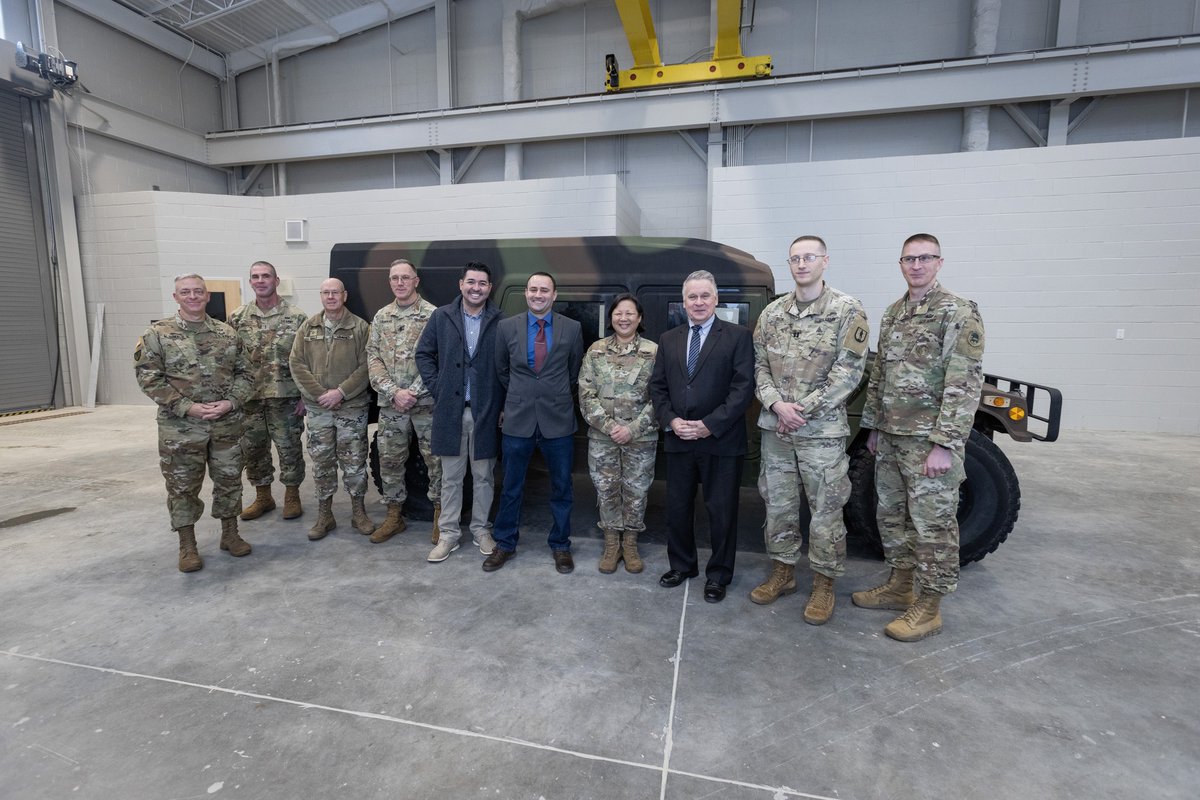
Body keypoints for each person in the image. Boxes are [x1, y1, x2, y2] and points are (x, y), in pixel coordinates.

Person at [852, 233, 986, 641]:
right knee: (892, 517)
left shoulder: (958, 312)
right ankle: (900, 585)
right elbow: (880, 376)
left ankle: (930, 607)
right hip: (891, 438)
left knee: (933, 525)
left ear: (939, 263)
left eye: (924, 258)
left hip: (929, 441)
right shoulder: (894, 313)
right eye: (909, 259)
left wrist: (945, 443)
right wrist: (873, 427)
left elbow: (964, 383)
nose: (916, 265)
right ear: (901, 264)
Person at [750, 236, 870, 624]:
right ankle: (783, 573)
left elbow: (849, 372)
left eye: (809, 257)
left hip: (820, 431)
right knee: (779, 505)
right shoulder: (771, 314)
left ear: (825, 261)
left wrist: (802, 409)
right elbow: (759, 367)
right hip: (777, 429)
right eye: (795, 258)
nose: (802, 264)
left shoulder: (847, 310)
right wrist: (776, 404)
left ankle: (823, 584)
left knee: (826, 510)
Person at [134, 274, 254, 573]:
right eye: (185, 292)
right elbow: (149, 378)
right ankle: (187, 544)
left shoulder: (228, 334)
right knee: (182, 486)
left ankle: (230, 534)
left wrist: (230, 402)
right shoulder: (157, 334)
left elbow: (248, 374)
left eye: (198, 292)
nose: (192, 297)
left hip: (226, 423)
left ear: (207, 296)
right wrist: (188, 407)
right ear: (175, 297)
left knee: (229, 479)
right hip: (181, 427)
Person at [648, 270, 754, 603]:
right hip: (679, 438)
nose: (698, 302)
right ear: (683, 302)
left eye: (705, 295)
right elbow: (658, 386)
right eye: (692, 297)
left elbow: (743, 388)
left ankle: (718, 574)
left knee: (721, 511)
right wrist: (670, 420)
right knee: (677, 508)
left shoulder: (737, 337)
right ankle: (682, 565)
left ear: (716, 299)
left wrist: (710, 424)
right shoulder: (669, 339)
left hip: (721, 440)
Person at [486, 272, 584, 574]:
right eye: (533, 289)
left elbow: (573, 372)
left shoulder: (572, 328)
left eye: (544, 290)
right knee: (512, 486)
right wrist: (520, 396)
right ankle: (504, 543)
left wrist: (549, 394)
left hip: (558, 419)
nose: (538, 294)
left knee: (562, 487)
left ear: (554, 295)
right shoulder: (506, 328)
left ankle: (560, 545)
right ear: (526, 294)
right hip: (518, 418)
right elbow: (501, 370)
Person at [415, 261, 504, 563]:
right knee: (451, 478)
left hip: (485, 413)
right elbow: (423, 353)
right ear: (461, 284)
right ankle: (449, 534)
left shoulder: (499, 320)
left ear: (489, 288)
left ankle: (481, 530)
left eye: (482, 283)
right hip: (451, 411)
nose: (476, 288)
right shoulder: (441, 317)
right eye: (471, 282)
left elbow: (505, 366)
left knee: (484, 477)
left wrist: (500, 402)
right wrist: (438, 386)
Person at [288, 278, 375, 541]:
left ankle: (358, 513)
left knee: (354, 463)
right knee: (322, 462)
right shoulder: (308, 327)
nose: (330, 297)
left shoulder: (360, 327)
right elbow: (296, 363)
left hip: (351, 408)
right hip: (319, 410)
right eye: (325, 293)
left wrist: (341, 393)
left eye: (335, 292)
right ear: (321, 296)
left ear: (344, 295)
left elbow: (367, 366)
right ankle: (325, 515)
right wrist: (319, 395)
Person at [577, 293, 658, 574]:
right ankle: (612, 544)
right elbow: (586, 394)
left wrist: (632, 429)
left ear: (639, 318)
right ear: (611, 317)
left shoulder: (653, 352)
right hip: (603, 437)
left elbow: (661, 397)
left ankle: (631, 544)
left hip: (641, 438)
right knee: (607, 489)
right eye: (618, 314)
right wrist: (612, 428)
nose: (623, 318)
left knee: (636, 491)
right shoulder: (596, 350)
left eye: (629, 313)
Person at [228, 260, 309, 522]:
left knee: (289, 448)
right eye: (255, 276)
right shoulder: (237, 318)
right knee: (253, 449)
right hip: (249, 398)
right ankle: (263, 496)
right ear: (250, 282)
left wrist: (306, 396)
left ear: (276, 281)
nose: (260, 280)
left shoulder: (297, 317)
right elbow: (229, 360)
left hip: (286, 397)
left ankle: (292, 494)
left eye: (266, 276)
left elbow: (308, 360)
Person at [366, 259, 440, 544]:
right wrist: (394, 392)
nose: (400, 282)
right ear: (390, 282)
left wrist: (413, 393)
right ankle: (394, 516)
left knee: (435, 462)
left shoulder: (434, 316)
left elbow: (438, 359)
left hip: (426, 405)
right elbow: (373, 358)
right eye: (394, 278)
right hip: (392, 404)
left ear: (416, 281)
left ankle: (439, 515)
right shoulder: (381, 316)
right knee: (389, 461)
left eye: (405, 278)